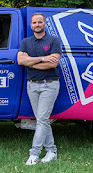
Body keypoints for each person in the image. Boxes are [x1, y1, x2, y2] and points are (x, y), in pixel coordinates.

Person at [17, 12, 62, 165]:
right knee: (42, 120)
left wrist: (30, 62)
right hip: (32, 85)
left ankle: (34, 154)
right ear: (31, 25)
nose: (37, 25)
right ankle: (52, 151)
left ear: (44, 24)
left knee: (42, 120)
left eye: (40, 22)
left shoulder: (53, 40)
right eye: (34, 23)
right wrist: (43, 58)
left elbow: (53, 64)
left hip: (49, 84)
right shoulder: (26, 42)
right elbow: (20, 60)